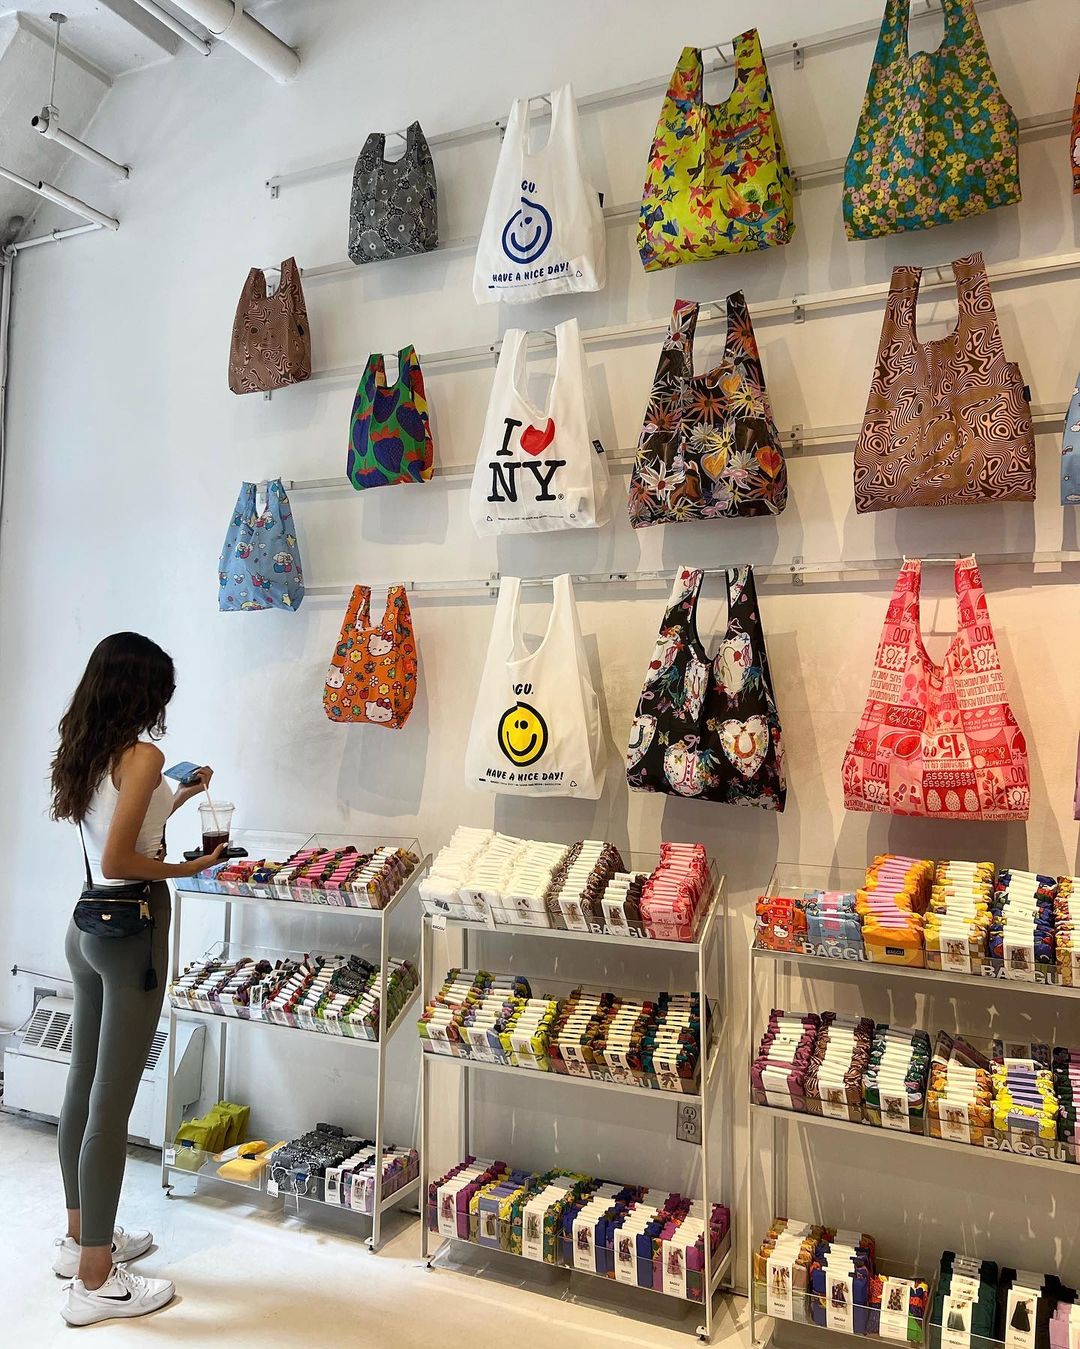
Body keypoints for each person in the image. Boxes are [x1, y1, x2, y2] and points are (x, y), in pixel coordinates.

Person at [48, 632, 225, 1326]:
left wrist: (176, 796)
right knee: (111, 1106)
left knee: (82, 1085)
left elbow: (119, 830)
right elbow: (124, 858)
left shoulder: (89, 750)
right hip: (132, 935)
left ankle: (79, 1238)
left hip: (87, 928)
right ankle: (96, 1280)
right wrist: (189, 869)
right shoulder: (142, 754)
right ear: (142, 689)